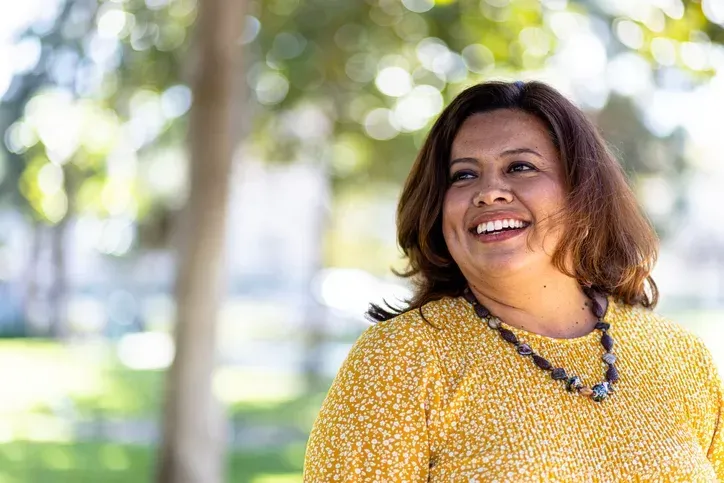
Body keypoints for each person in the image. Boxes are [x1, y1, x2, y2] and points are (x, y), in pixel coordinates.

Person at [302, 81, 724, 482]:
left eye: (520, 167)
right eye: (463, 175)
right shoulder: (399, 362)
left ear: (584, 191)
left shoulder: (682, 357)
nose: (489, 192)